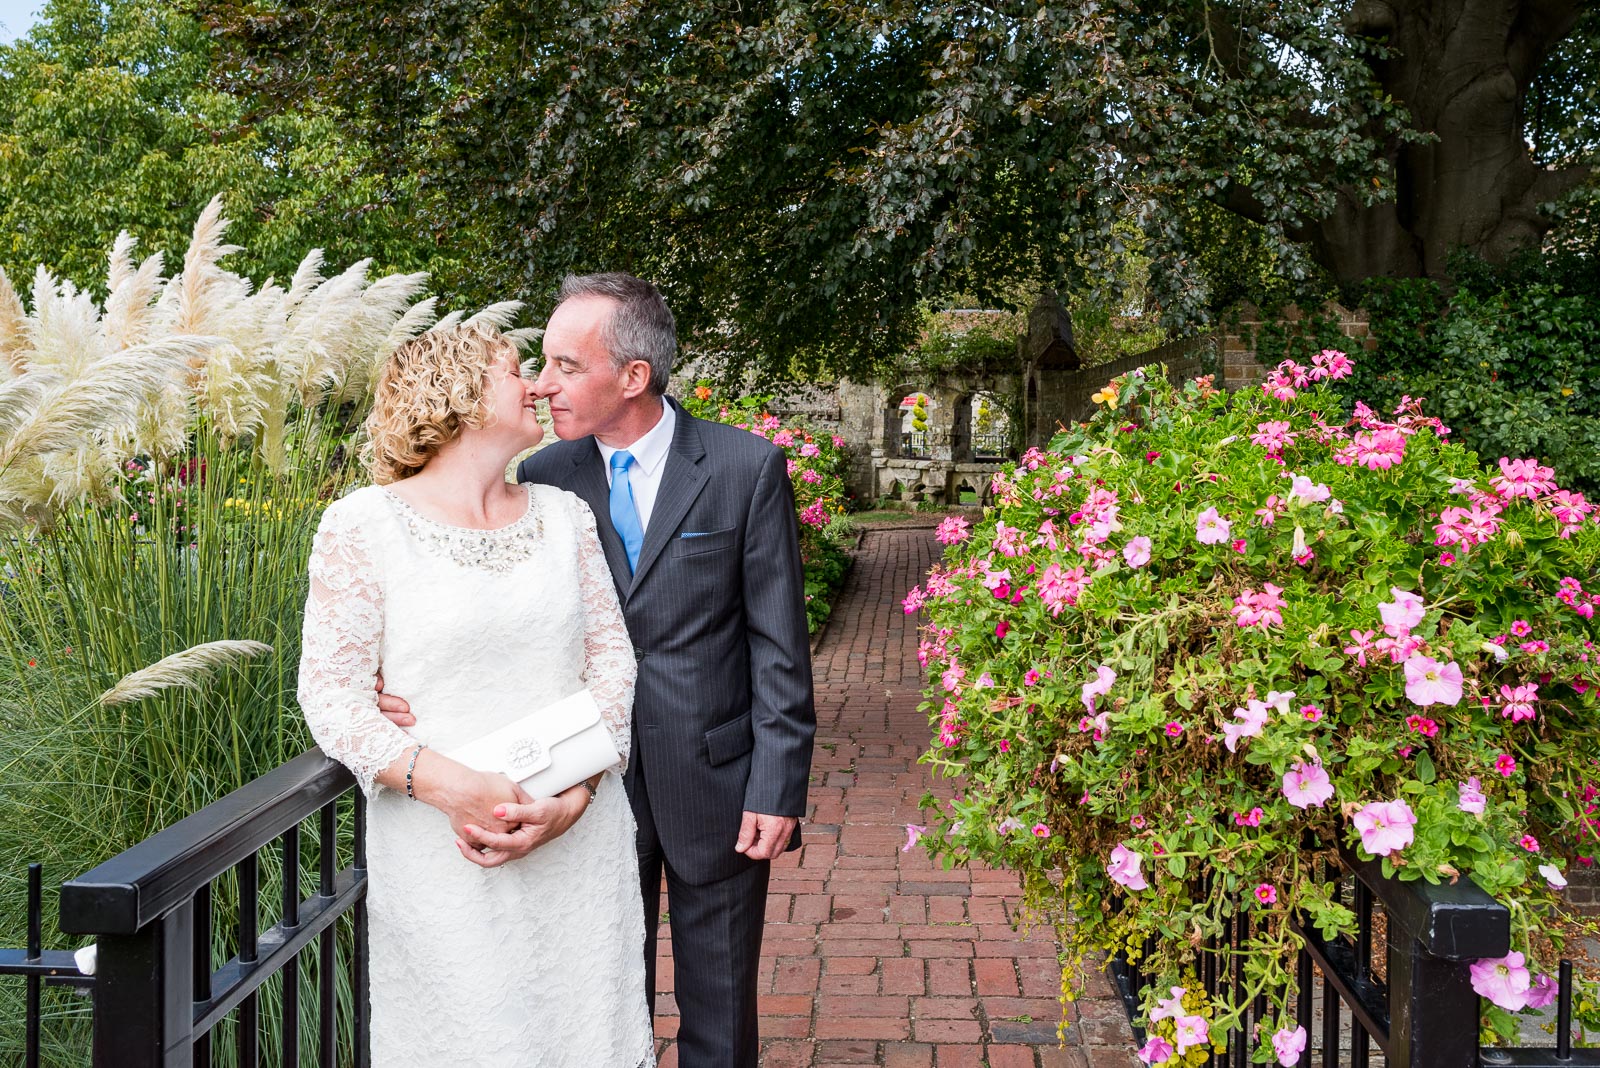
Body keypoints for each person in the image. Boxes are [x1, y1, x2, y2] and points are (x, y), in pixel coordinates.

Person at [379, 273, 816, 1066]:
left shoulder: (744, 468)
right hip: (575, 783)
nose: (543, 385)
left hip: (713, 778)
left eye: (566, 367)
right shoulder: (543, 479)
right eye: (539, 365)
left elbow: (778, 645)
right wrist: (393, 681)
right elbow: (485, 612)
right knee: (605, 996)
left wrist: (777, 786)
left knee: (720, 1003)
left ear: (634, 377)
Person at [297, 321, 653, 1068]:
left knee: (590, 1035)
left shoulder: (565, 516)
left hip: (578, 842)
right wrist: (455, 789)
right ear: (454, 393)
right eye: (514, 370)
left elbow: (613, 665)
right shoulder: (364, 525)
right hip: (442, 850)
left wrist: (573, 798)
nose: (536, 385)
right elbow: (332, 696)